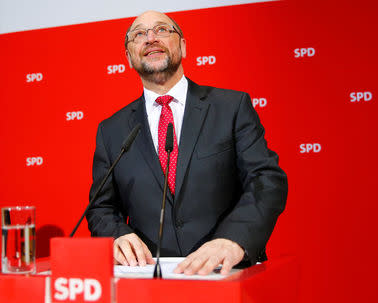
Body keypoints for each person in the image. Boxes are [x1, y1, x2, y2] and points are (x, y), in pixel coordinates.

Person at [86, 10, 288, 276]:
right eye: (138, 34)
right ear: (128, 57)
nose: (150, 38)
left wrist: (234, 239)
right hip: (149, 279)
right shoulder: (111, 130)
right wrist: (116, 237)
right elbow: (101, 207)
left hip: (224, 272)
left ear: (182, 45)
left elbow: (266, 180)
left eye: (161, 30)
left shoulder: (230, 108)